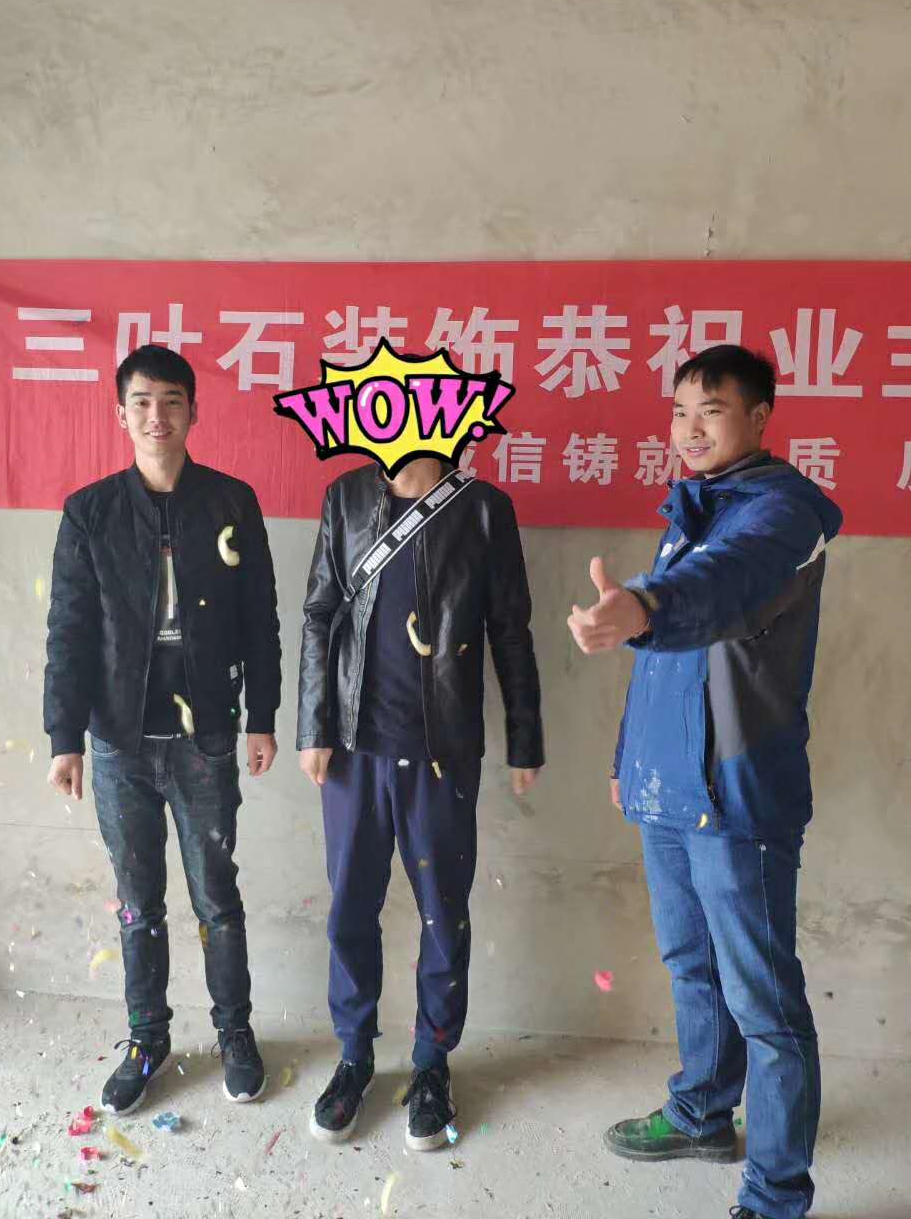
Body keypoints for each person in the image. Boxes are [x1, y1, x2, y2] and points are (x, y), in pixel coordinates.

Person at [567, 345, 842, 1219]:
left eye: (711, 411)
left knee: (764, 999)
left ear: (759, 417)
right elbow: (663, 662)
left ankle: (777, 1192)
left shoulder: (784, 515)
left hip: (736, 793)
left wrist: (646, 605)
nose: (690, 429)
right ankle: (701, 1114)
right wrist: (628, 760)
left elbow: (723, 586)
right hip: (667, 786)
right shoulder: (694, 506)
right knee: (692, 966)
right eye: (680, 411)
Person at [44, 343, 281, 1115]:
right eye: (142, 402)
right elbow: (69, 631)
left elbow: (261, 619)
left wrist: (262, 717)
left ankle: (235, 1033)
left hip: (206, 737)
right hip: (119, 739)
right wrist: (64, 738)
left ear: (193, 412)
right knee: (138, 903)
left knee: (217, 897)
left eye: (172, 401)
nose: (157, 415)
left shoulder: (231, 504)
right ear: (122, 415)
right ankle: (147, 1040)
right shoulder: (90, 513)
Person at [297, 452, 543, 1151]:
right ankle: (354, 1056)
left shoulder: (484, 509)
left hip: (443, 751)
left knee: (443, 913)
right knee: (350, 909)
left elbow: (511, 629)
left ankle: (433, 1062)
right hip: (353, 751)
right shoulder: (346, 499)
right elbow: (320, 615)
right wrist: (313, 727)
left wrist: (525, 738)